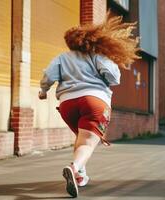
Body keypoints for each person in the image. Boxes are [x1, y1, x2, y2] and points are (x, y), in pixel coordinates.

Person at [38, 12, 139, 198]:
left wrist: (43, 91)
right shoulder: (96, 55)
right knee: (87, 141)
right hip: (94, 101)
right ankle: (74, 167)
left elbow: (48, 76)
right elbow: (113, 76)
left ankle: (80, 176)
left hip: (67, 104)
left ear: (69, 42)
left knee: (81, 138)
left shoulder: (62, 57)